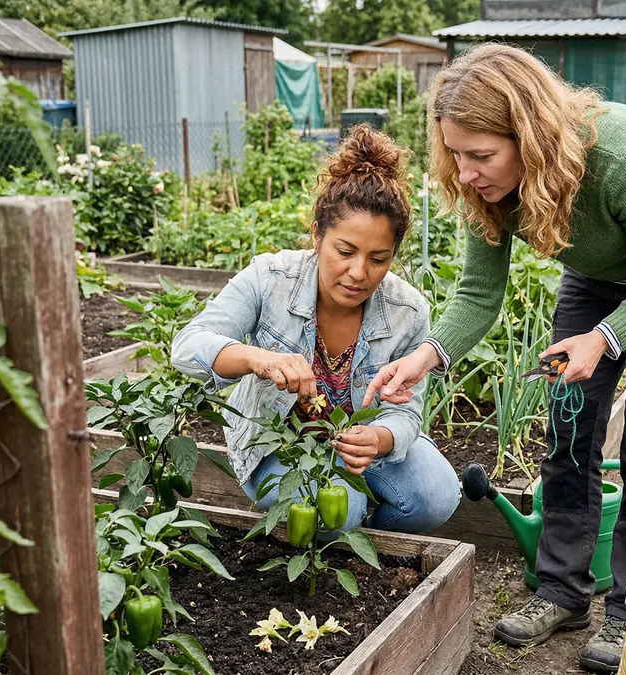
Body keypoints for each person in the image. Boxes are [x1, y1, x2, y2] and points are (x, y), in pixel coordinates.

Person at [363, 44, 626, 673]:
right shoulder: (485, 190)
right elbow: (480, 292)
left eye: (481, 155)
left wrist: (605, 339)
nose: (466, 170)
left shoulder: (620, 154)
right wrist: (426, 355)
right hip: (598, 275)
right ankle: (562, 589)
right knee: (568, 430)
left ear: (530, 138)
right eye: (455, 153)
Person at [172, 125, 460, 534]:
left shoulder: (407, 311)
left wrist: (379, 438)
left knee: (436, 494)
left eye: (378, 259)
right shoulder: (270, 278)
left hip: (355, 447)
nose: (358, 272)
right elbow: (188, 347)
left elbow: (406, 412)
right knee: (339, 506)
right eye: (344, 251)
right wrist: (260, 359)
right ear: (317, 235)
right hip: (278, 446)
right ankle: (343, 526)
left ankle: (361, 541)